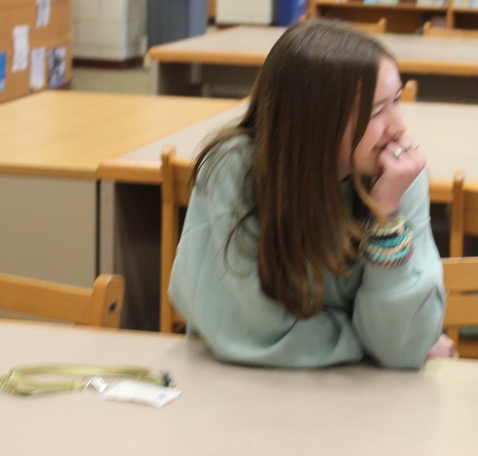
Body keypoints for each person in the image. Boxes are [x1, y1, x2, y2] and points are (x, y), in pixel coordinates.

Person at [168, 20, 446, 369]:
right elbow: (247, 333)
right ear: (316, 121)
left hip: (358, 400)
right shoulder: (237, 170)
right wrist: (366, 340)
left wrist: (386, 217)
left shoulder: (396, 175)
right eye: (377, 111)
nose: (398, 127)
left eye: (397, 101)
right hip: (240, 392)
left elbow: (403, 349)